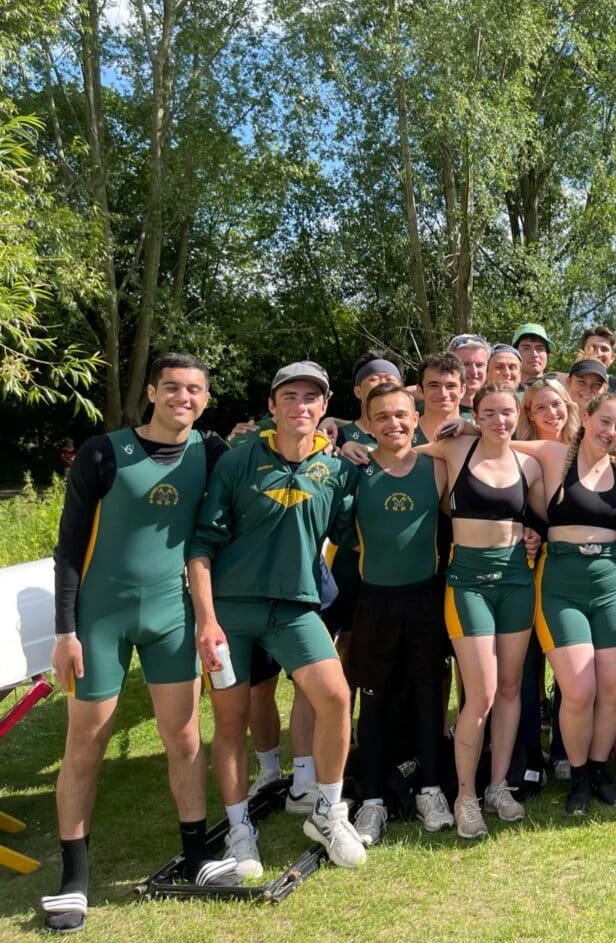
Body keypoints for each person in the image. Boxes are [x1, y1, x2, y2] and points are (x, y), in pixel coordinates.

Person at [43, 354, 237, 932]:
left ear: (205, 399)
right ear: (151, 390)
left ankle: (198, 855)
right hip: (100, 619)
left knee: (182, 738)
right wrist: (65, 632)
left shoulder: (213, 453)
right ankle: (73, 879)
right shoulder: (103, 453)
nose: (183, 396)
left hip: (171, 615)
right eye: (172, 386)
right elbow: (69, 548)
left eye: (195, 389)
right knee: (86, 744)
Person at [187, 361, 366, 876]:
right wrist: (206, 620)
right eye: (289, 396)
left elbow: (352, 529)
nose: (300, 405)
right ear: (272, 406)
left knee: (335, 697)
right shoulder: (238, 462)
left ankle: (327, 811)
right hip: (230, 614)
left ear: (325, 408)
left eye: (311, 397)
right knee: (230, 719)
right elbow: (201, 545)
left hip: (294, 608)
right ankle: (240, 830)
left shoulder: (336, 470)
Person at [512, 393, 616, 815]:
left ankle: (599, 771)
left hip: (610, 587)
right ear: (586, 418)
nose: (610, 432)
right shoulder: (554, 456)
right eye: (604, 421)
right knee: (579, 688)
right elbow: (493, 443)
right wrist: (459, 428)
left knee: (610, 688)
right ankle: (578, 770)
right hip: (559, 585)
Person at [425, 384, 546, 836]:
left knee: (512, 687)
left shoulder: (528, 464)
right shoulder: (456, 447)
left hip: (516, 580)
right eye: (489, 413)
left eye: (507, 412)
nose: (500, 420)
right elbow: (402, 450)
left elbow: (543, 514)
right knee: (482, 693)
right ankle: (466, 795)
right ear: (476, 414)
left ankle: (498, 786)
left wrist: (533, 535)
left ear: (518, 415)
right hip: (468, 583)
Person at [346, 384, 454, 844]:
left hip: (426, 597)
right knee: (373, 698)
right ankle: (371, 799)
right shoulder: (354, 469)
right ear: (367, 423)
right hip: (374, 600)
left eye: (402, 415)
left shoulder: (438, 468)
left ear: (416, 417)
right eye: (382, 416)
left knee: (430, 693)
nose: (393, 423)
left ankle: (431, 789)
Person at [416, 352, 467, 443]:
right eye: (433, 385)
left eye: (451, 386)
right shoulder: (404, 435)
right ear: (420, 390)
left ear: (462, 390)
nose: (443, 394)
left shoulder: (479, 437)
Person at [517, 374, 581, 444]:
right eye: (541, 407)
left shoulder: (585, 447)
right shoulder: (519, 453)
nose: (552, 413)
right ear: (530, 414)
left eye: (556, 404)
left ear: (567, 405)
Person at [450, 334, 490, 413]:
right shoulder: (434, 409)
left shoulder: (498, 408)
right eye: (465, 364)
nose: (474, 371)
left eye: (479, 365)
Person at [579, 325, 616, 390]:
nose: (598, 354)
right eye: (592, 348)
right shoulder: (562, 384)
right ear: (582, 353)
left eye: (604, 349)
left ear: (612, 357)